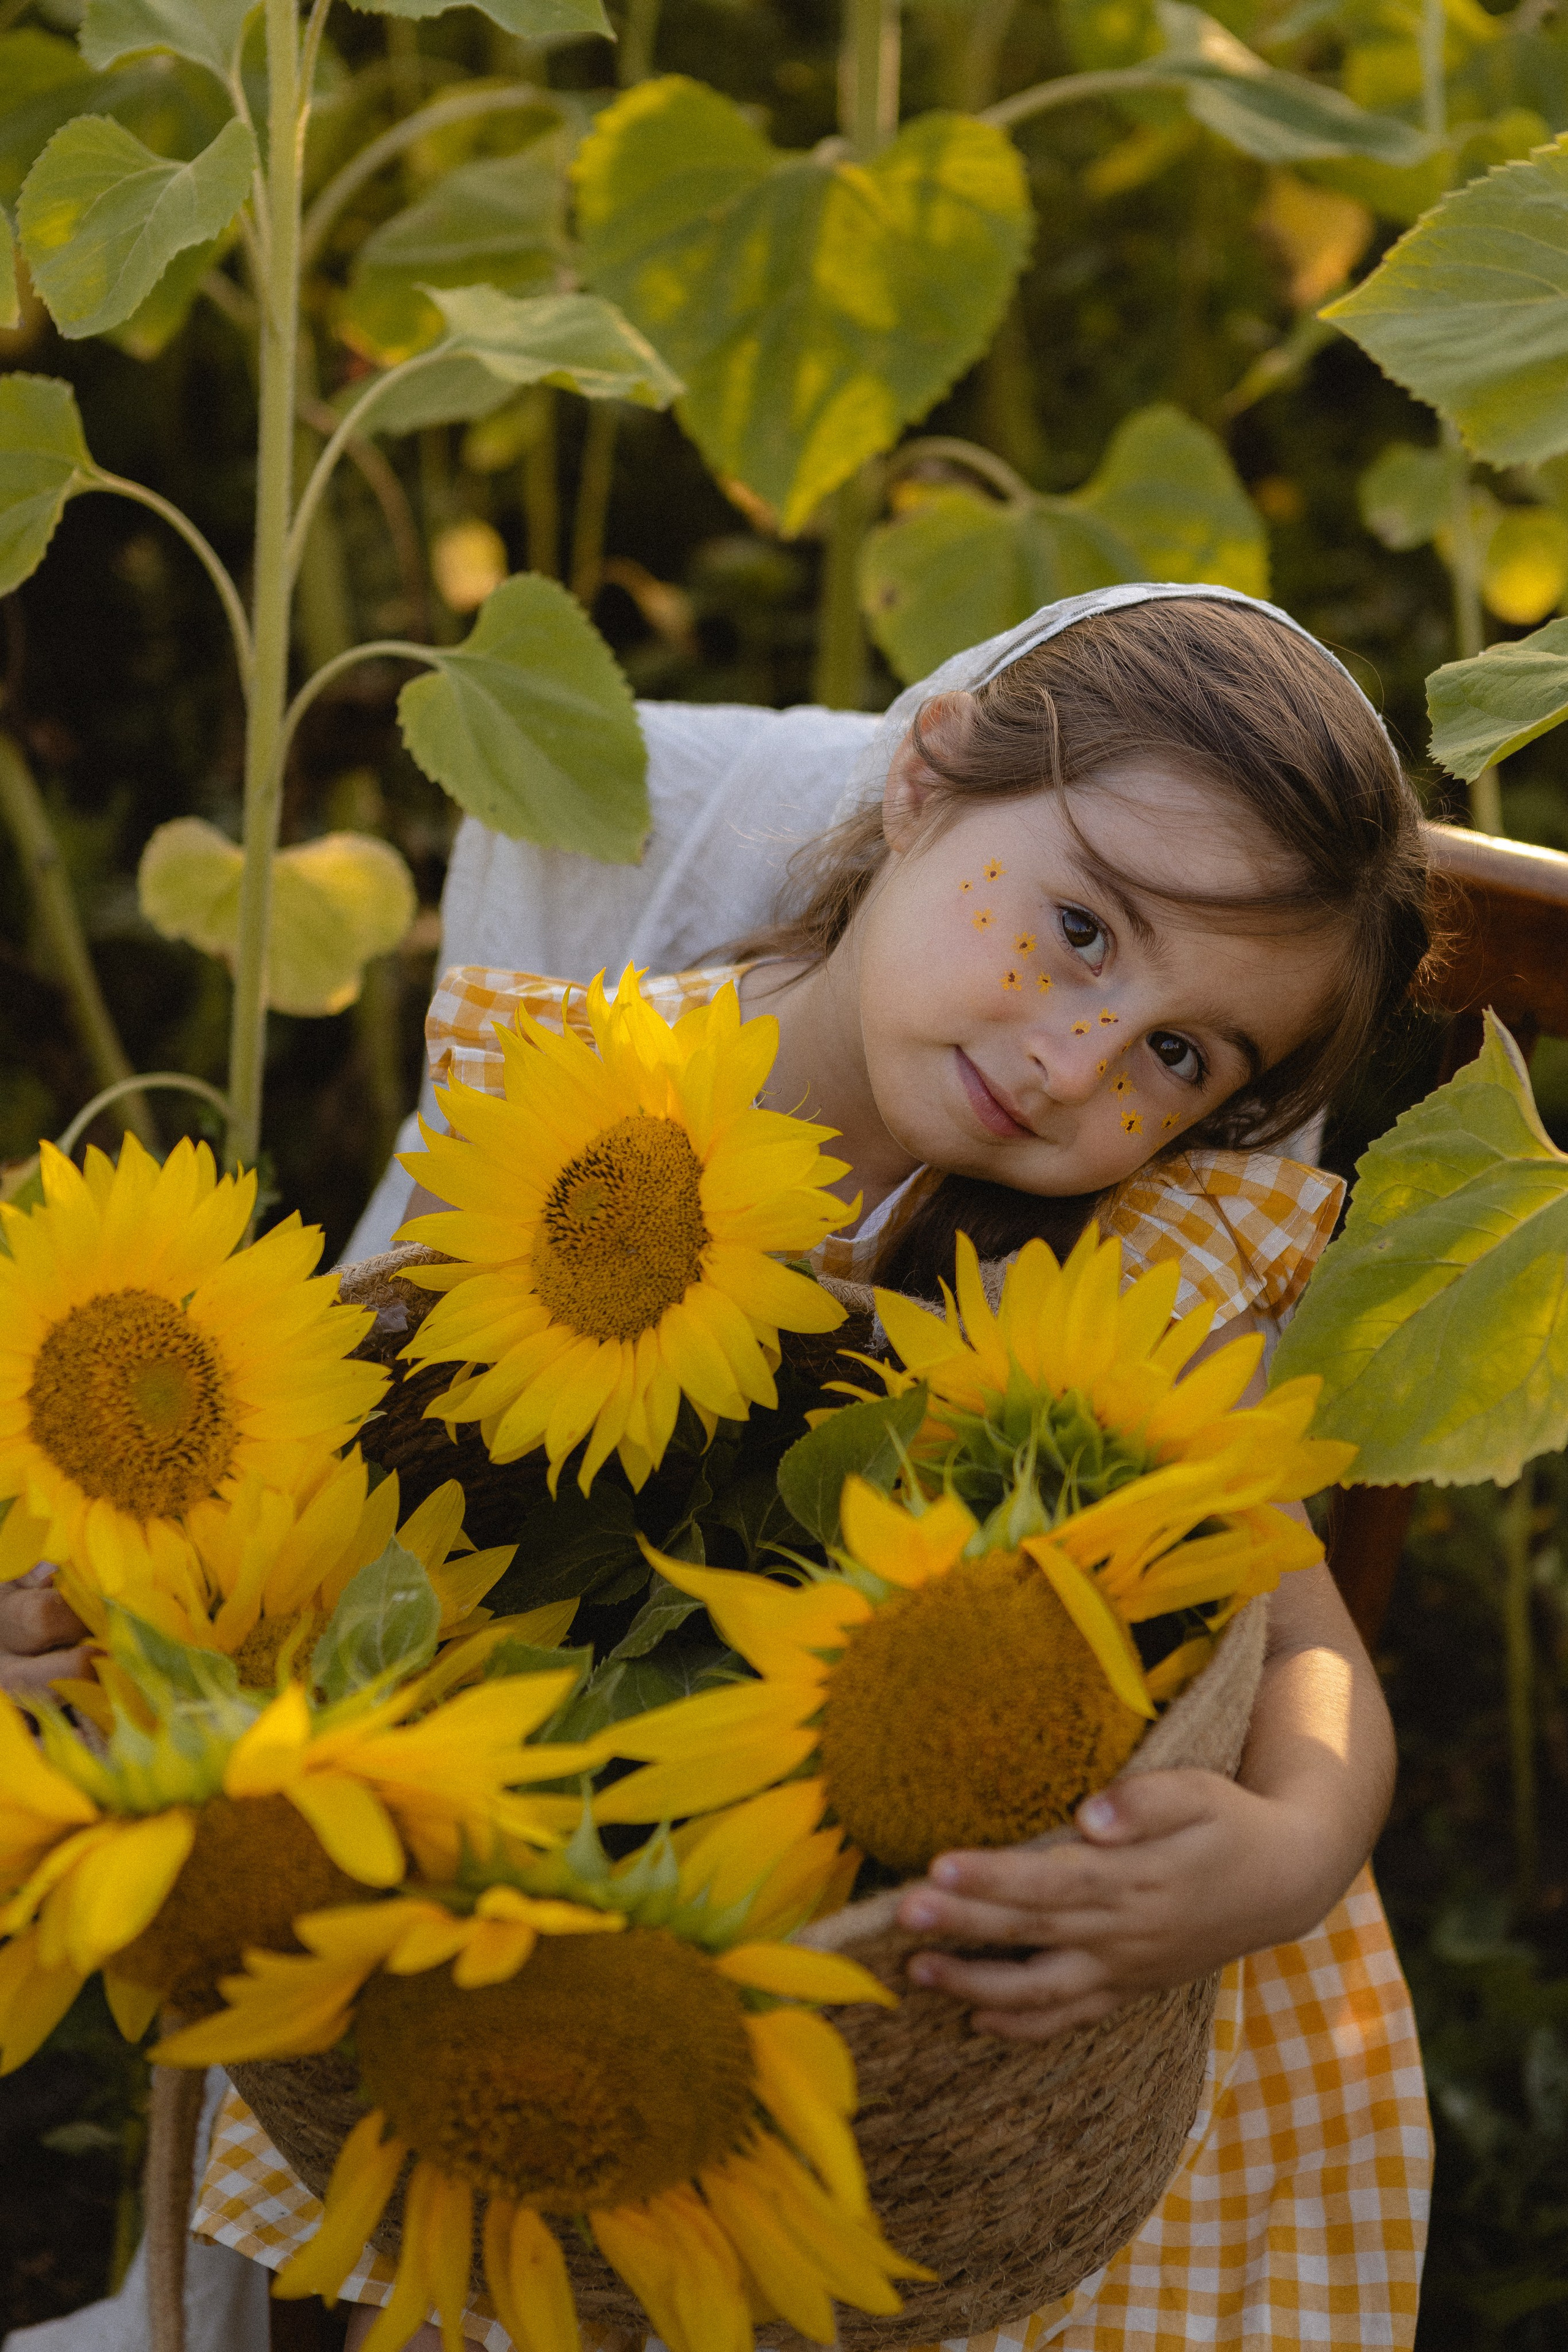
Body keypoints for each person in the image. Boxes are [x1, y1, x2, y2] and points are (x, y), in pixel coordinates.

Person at [4, 584, 1433, 2352]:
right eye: (1078, 927)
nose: (1079, 1065)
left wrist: (1284, 1852)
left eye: (1178, 1054)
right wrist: (128, 1622)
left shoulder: (1137, 1270)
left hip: (990, 2026)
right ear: (923, 784)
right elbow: (360, 1452)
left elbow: (1302, 1645)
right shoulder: (589, 1120)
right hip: (564, 1927)